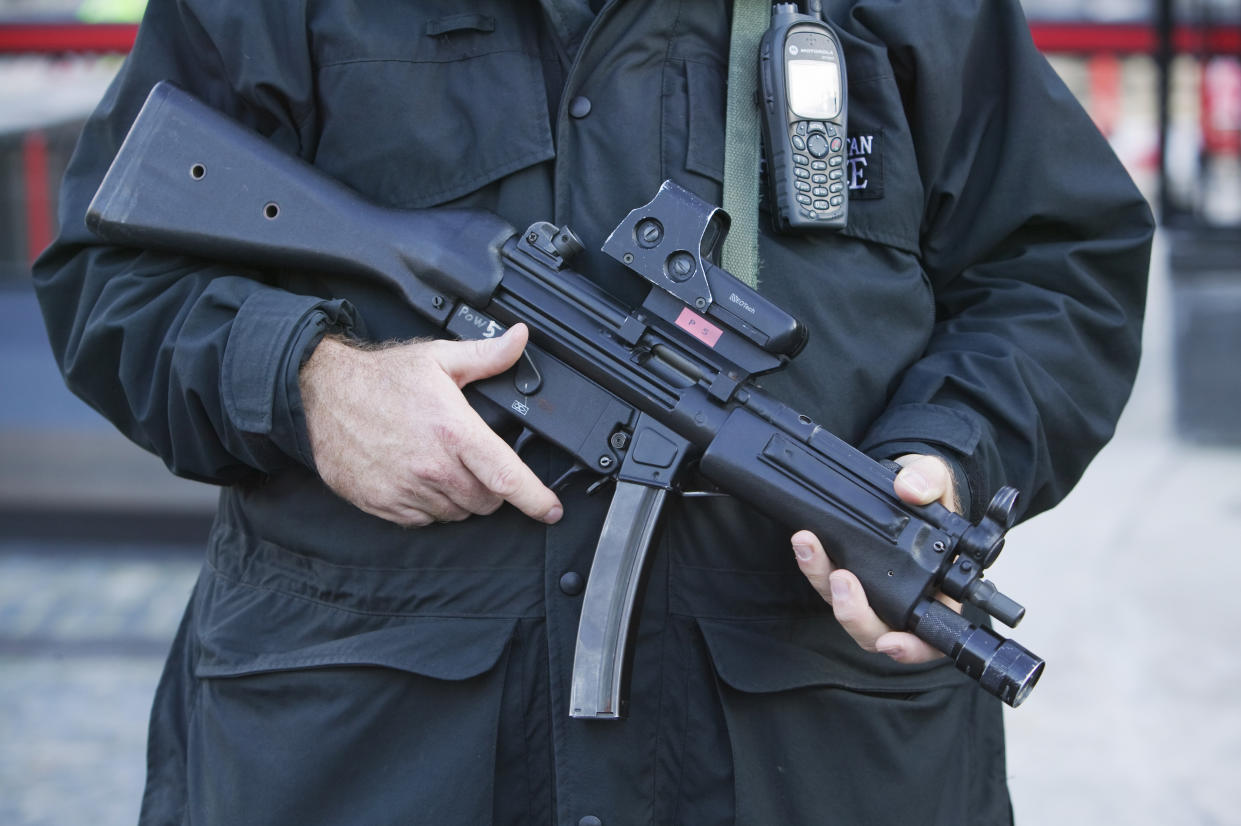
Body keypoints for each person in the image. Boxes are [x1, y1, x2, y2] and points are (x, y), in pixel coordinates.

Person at [33, 1, 1153, 823]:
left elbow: (1058, 266)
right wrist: (315, 383)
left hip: (811, 760)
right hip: (369, 759)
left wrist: (945, 453)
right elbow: (112, 275)